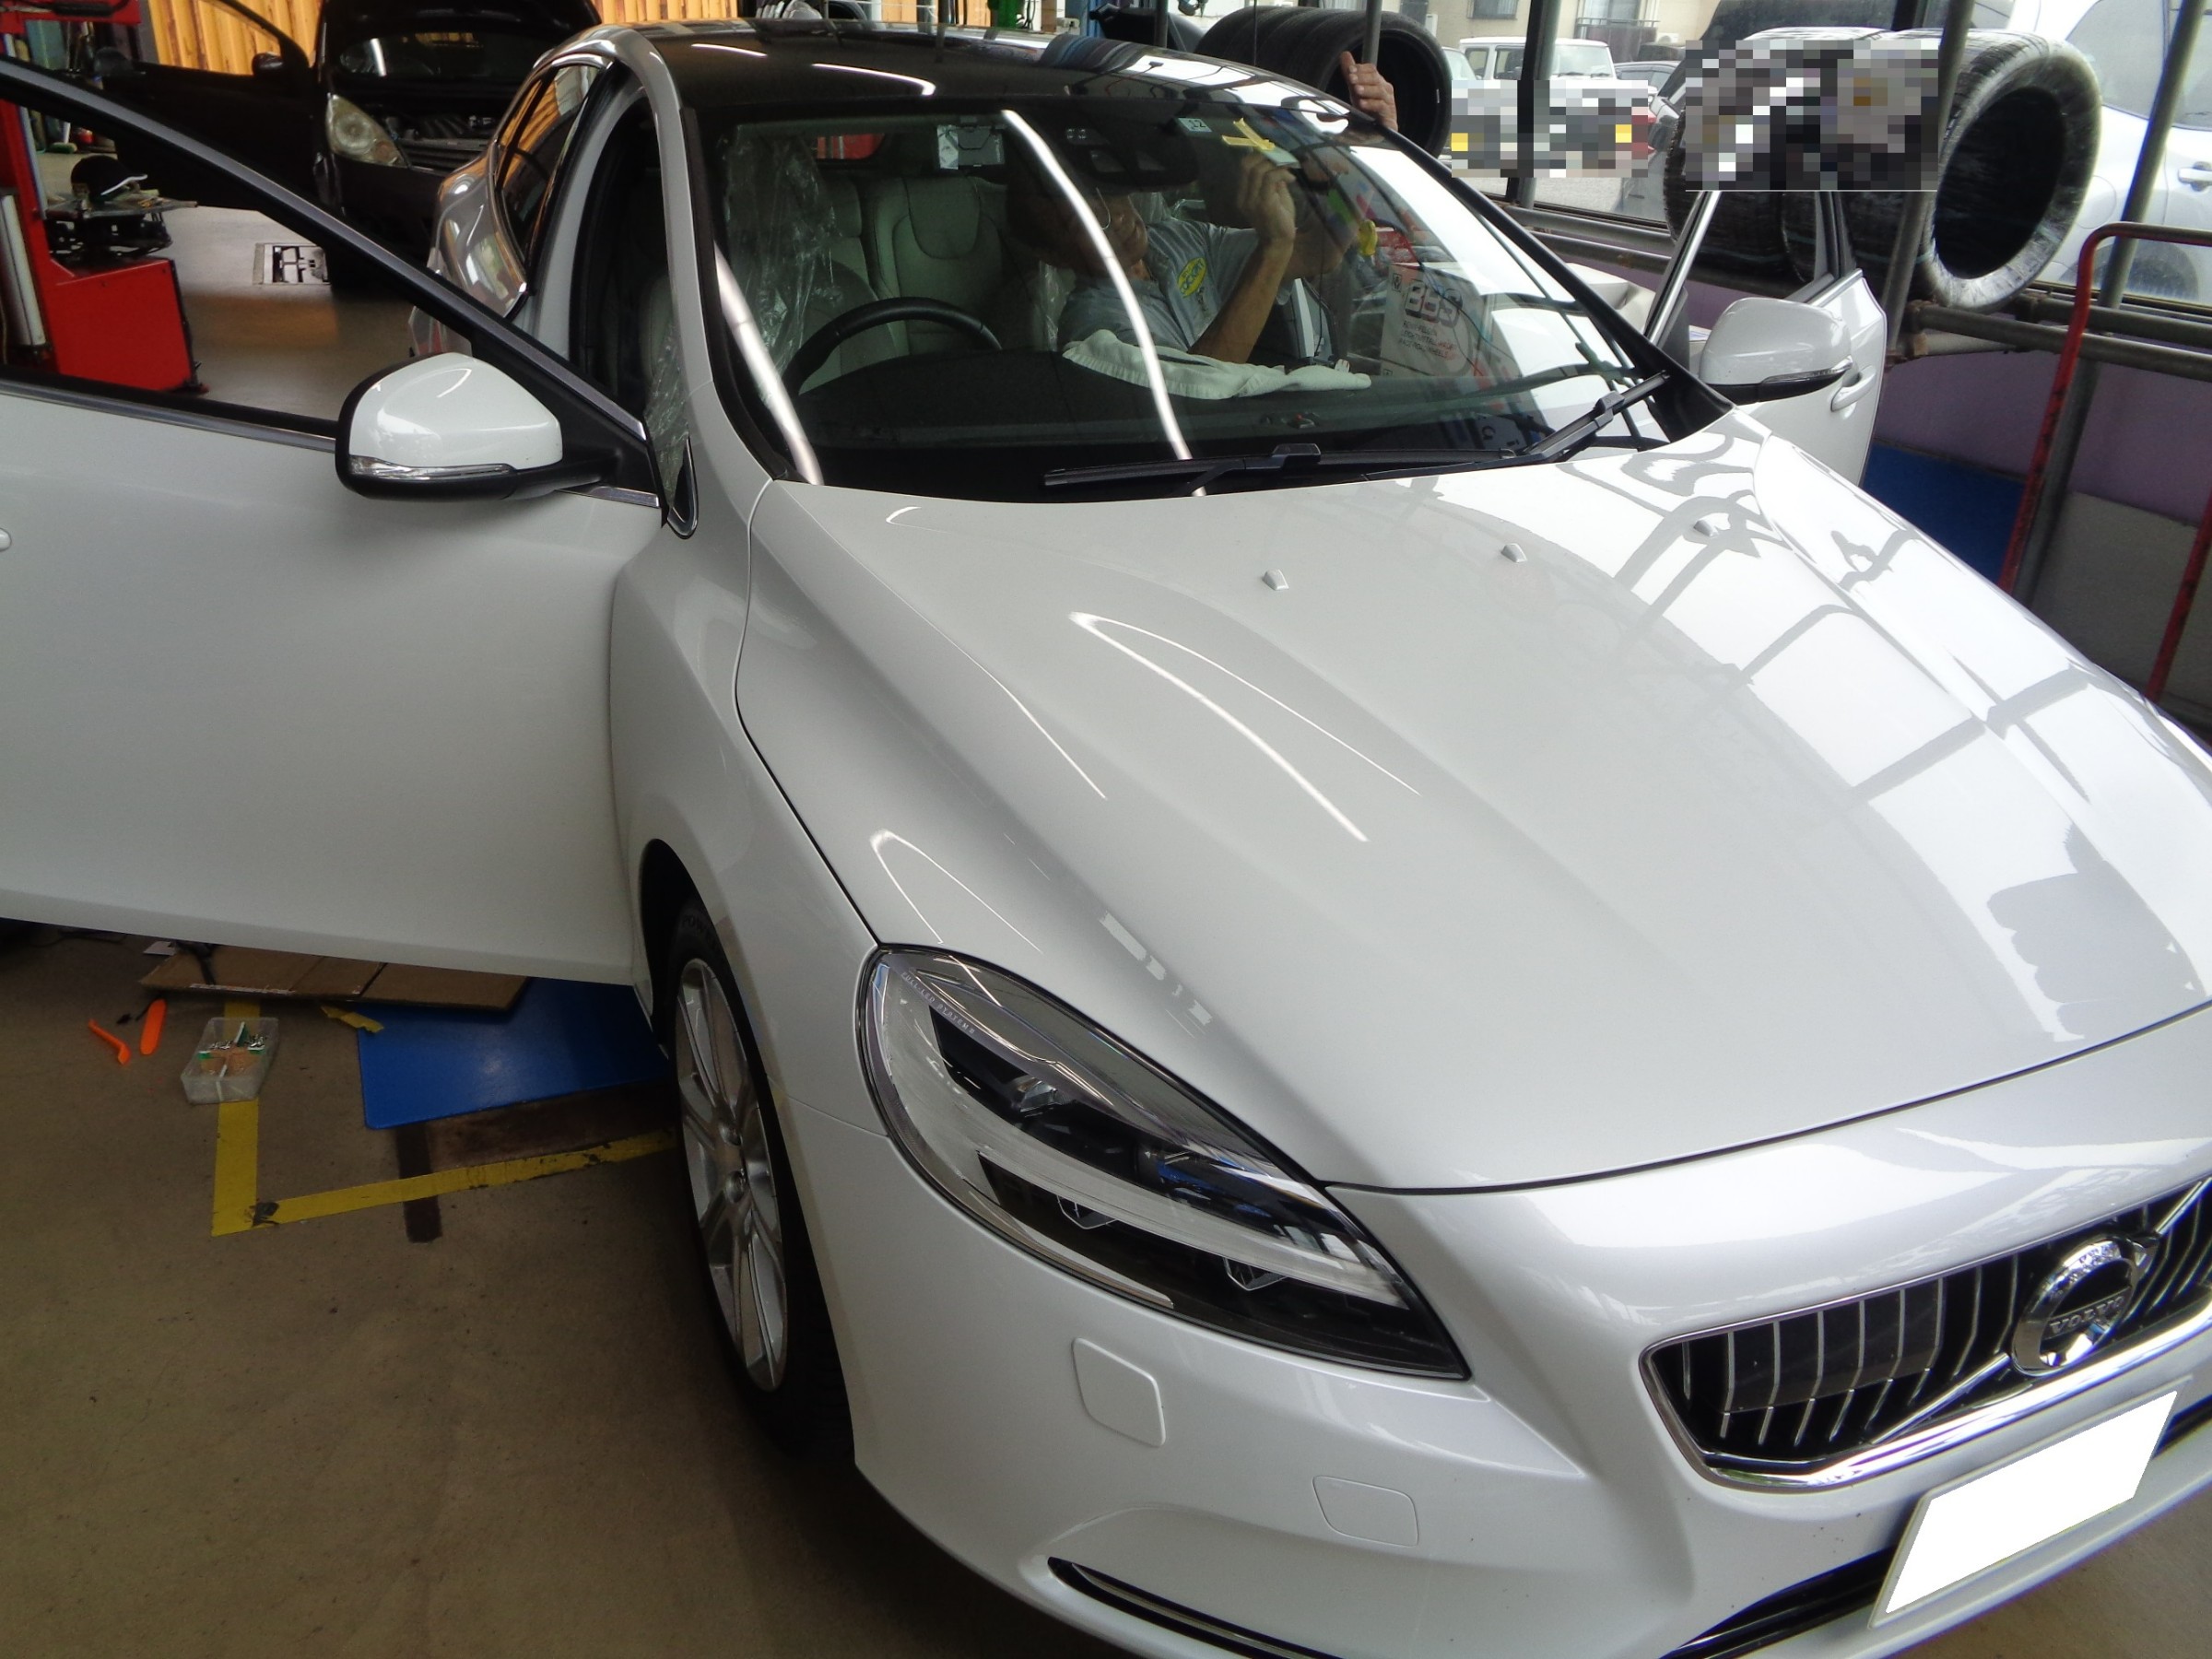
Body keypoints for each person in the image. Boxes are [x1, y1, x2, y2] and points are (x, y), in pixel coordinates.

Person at [1013, 54, 1396, 366]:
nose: (1118, 218)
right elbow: (1195, 392)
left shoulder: (1178, 240)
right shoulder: (1094, 328)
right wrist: (1273, 246)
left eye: (1106, 194)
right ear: (1054, 257)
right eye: (1083, 221)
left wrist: (1365, 152)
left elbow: (1318, 252)